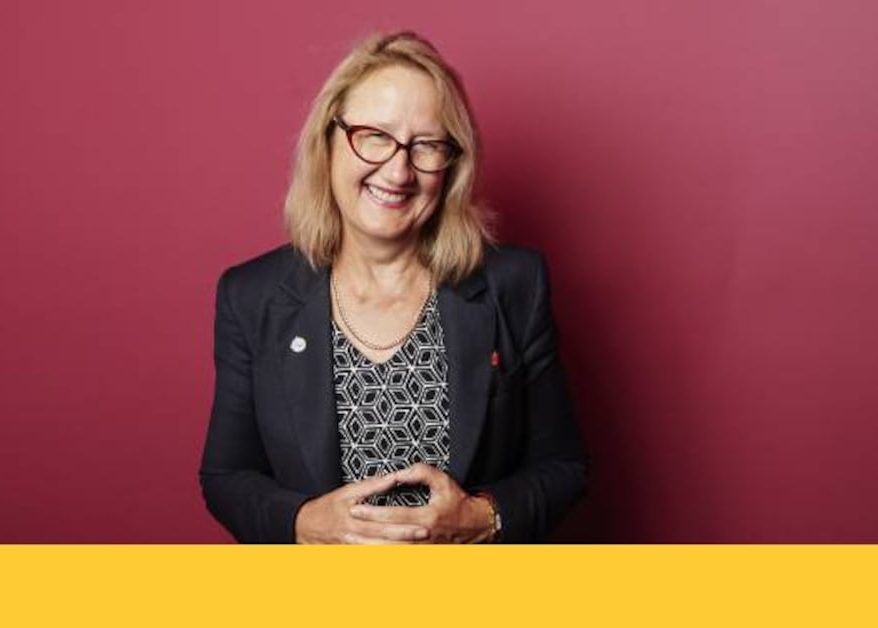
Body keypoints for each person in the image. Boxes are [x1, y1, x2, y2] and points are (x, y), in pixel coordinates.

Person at [199, 31, 587, 543]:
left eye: (426, 145)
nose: (399, 170)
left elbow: (563, 465)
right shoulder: (252, 297)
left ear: (452, 166)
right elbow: (226, 476)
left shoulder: (514, 285)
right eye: (375, 136)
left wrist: (481, 517)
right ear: (329, 141)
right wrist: (302, 523)